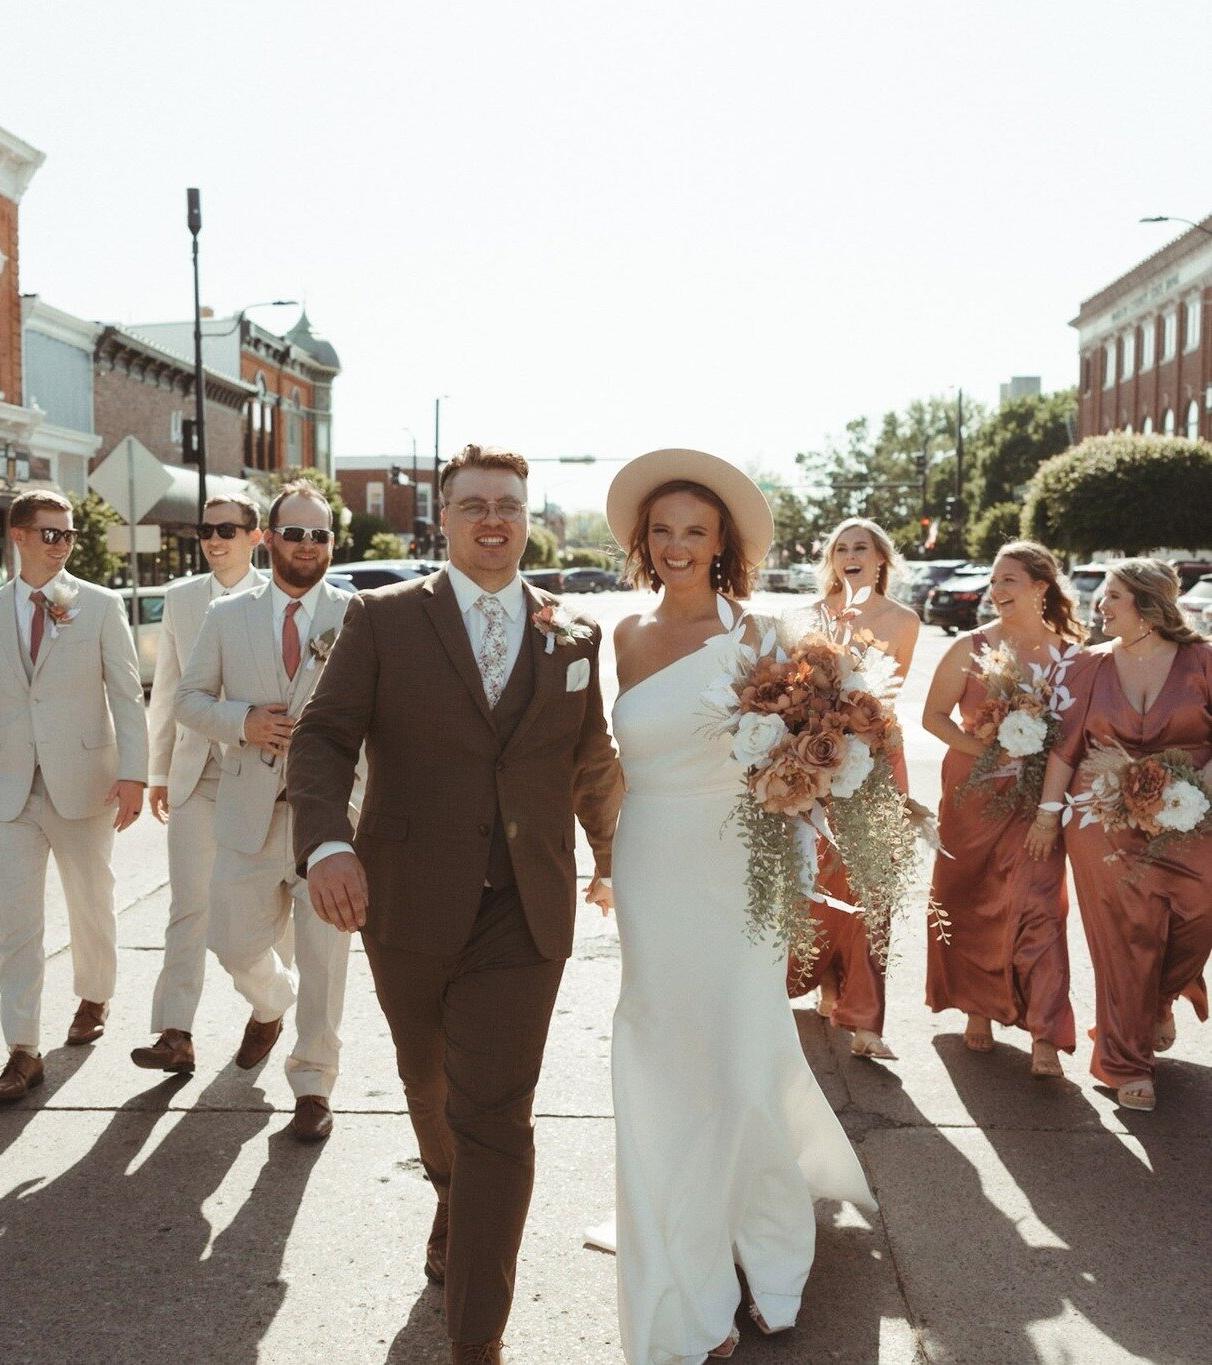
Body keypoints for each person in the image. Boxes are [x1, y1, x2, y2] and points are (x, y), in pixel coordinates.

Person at [289, 445, 623, 1365]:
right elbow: (319, 739)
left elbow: (588, 757)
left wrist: (616, 857)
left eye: (508, 504)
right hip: (402, 902)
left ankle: (476, 1334)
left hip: (527, 908)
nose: (491, 518)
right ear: (443, 518)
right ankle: (449, 1192)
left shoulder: (571, 635)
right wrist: (326, 843)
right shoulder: (383, 620)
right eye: (472, 503)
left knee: (497, 1116)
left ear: (528, 516)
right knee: (427, 1083)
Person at [604, 450, 874, 1362]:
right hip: (651, 864)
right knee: (660, 1048)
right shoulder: (625, 636)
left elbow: (813, 758)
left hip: (739, 866)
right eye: (663, 530)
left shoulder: (763, 637)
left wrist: (802, 802)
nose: (677, 545)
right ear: (643, 540)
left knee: (737, 1053)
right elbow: (618, 762)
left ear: (722, 544)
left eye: (695, 531)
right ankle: (680, 1261)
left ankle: (764, 1244)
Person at [0, 490, 148, 1104]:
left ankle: (94, 993)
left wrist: (134, 774)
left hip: (84, 780)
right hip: (7, 785)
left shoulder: (99, 605)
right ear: (18, 535)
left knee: (92, 902)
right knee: (17, 925)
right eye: (50, 534)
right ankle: (23, 1049)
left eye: (68, 535)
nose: (61, 544)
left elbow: (126, 693)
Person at [175, 481, 354, 1141]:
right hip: (247, 810)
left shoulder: (357, 614)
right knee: (231, 941)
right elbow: (188, 699)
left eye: (320, 534)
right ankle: (272, 1003)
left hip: (330, 820)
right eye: (296, 532)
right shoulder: (227, 616)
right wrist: (241, 721)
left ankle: (313, 1083)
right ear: (269, 539)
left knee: (326, 958)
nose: (308, 545)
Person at [1024, 558, 1211, 1112]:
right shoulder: (1089, 666)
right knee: (1124, 936)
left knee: (1199, 909)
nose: (1098, 607)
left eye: (1112, 597)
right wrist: (1046, 815)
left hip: (1191, 810)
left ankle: (1159, 997)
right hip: (1100, 815)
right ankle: (1125, 1062)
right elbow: (1066, 749)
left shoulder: (1203, 661)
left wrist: (1198, 791)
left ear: (1149, 606)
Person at [923, 542, 1084, 1077]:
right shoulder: (969, 647)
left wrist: (1046, 787)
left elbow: (1080, 736)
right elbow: (934, 718)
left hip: (1040, 799)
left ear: (1041, 588)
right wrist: (992, 750)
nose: (997, 591)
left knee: (1039, 908)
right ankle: (977, 1008)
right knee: (970, 899)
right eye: (993, 582)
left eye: (1008, 580)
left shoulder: (1073, 658)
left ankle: (1045, 1031)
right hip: (973, 796)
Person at [130, 492, 268, 1076]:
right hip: (196, 773)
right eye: (207, 530)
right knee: (188, 904)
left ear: (255, 537)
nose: (215, 540)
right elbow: (167, 688)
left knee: (257, 912)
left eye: (228, 530)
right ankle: (175, 1031)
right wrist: (159, 771)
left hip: (263, 776)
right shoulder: (183, 598)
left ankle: (269, 1007)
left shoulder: (276, 598)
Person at [783, 516, 919, 1059]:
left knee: (870, 884)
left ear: (881, 558)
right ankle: (824, 983)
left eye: (861, 547)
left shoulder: (904, 620)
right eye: (841, 548)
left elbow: (887, 695)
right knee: (812, 875)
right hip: (815, 757)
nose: (850, 555)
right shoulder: (809, 617)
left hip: (877, 758)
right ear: (831, 560)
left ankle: (866, 1021)